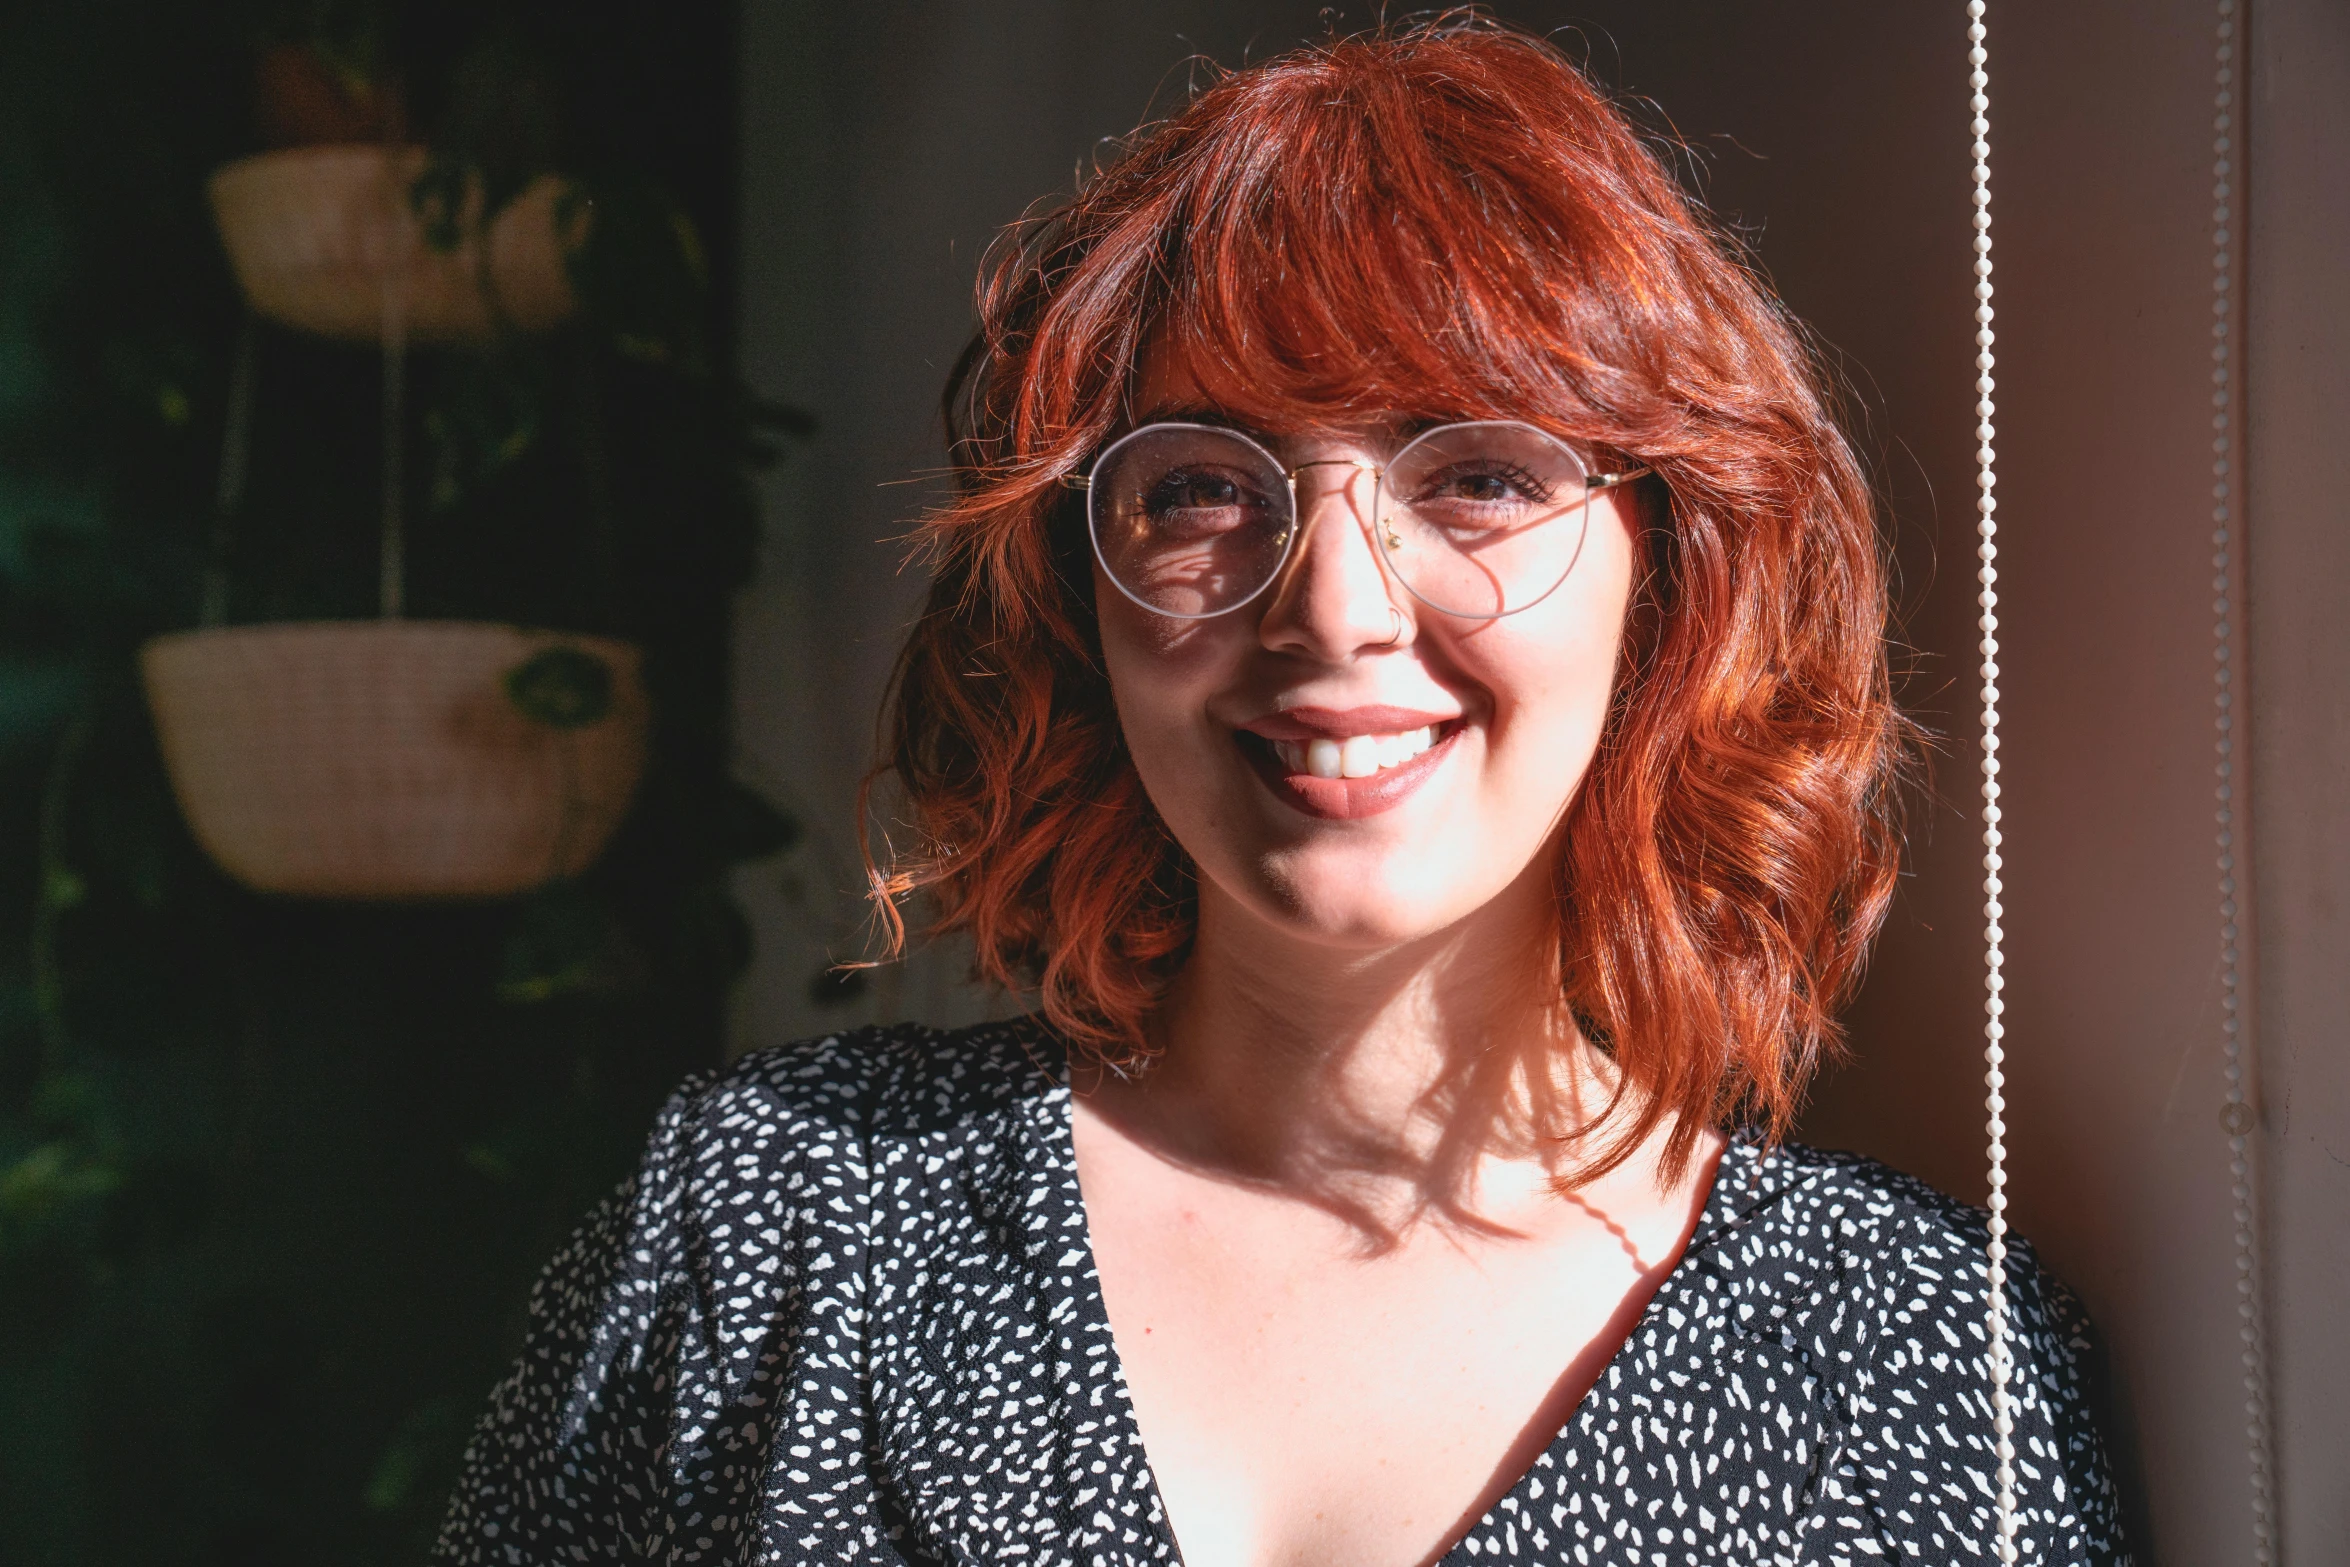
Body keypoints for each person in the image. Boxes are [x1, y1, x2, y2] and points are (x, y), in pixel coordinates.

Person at [434, 20, 2126, 1566]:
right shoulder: (777, 1228)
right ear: (1079, 602)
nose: (1332, 605)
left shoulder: (1918, 1356)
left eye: (1475, 472)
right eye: (1198, 487)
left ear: (1666, 573)